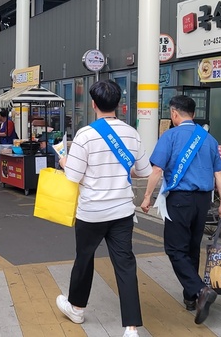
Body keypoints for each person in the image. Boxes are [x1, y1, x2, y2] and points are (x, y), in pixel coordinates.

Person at [56, 80, 153, 337]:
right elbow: (144, 171)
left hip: (91, 212)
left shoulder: (85, 135)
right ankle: (131, 328)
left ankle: (76, 308)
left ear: (93, 104)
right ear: (119, 105)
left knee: (84, 259)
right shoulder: (132, 133)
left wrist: (65, 160)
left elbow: (73, 177)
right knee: (125, 264)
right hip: (122, 211)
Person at [141, 95, 221, 325]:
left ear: (174, 114)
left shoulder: (170, 136)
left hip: (180, 199)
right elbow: (219, 173)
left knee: (174, 249)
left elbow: (157, 170)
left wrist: (147, 196)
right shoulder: (208, 139)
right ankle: (191, 298)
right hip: (203, 201)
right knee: (192, 247)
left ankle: (200, 290)